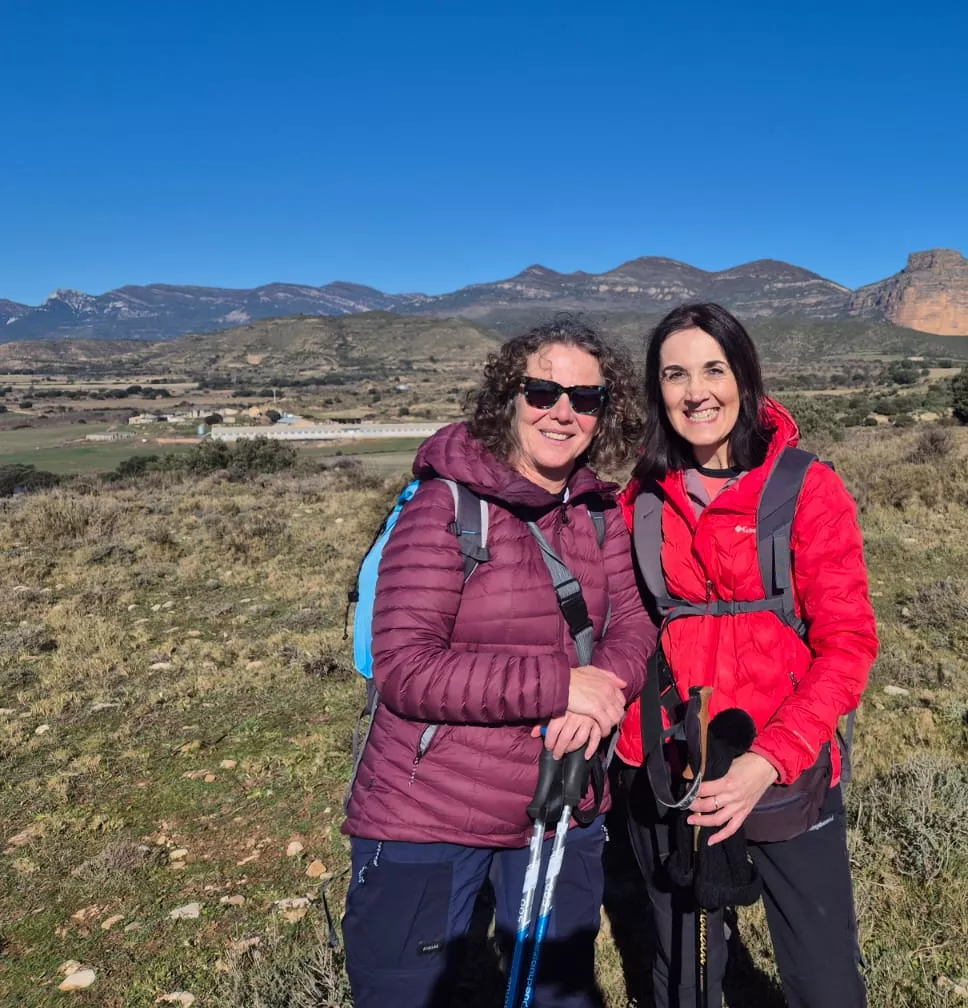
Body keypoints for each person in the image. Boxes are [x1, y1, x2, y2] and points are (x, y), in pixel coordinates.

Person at [342, 318, 656, 1008]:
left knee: (556, 995)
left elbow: (632, 623)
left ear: (606, 412)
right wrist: (561, 688)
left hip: (560, 796)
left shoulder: (597, 509)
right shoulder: (445, 505)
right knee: (405, 995)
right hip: (427, 810)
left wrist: (602, 695)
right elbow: (407, 668)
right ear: (509, 397)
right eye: (543, 391)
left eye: (584, 398)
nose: (562, 412)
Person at [615, 302, 878, 1008]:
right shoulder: (640, 499)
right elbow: (624, 625)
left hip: (784, 764)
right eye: (675, 374)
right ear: (657, 390)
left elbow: (848, 644)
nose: (695, 391)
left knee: (823, 980)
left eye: (713, 369)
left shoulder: (804, 489)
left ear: (745, 377)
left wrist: (770, 759)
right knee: (688, 974)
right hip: (675, 767)